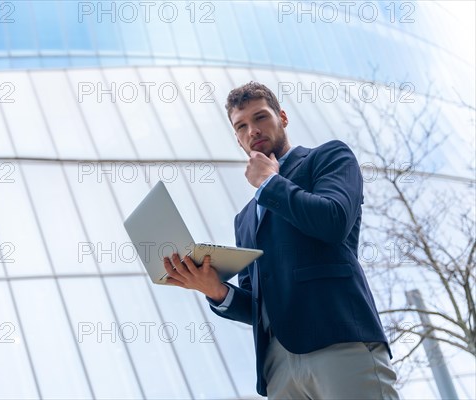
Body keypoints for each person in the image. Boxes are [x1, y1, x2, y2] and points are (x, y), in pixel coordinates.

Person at [163, 82, 399, 399]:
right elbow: (259, 302)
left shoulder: (329, 157)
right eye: (242, 126)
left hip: (339, 339)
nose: (253, 131)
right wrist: (215, 290)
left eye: (261, 117)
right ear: (236, 138)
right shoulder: (245, 219)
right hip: (278, 368)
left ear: (282, 117)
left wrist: (269, 183)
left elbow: (333, 221)